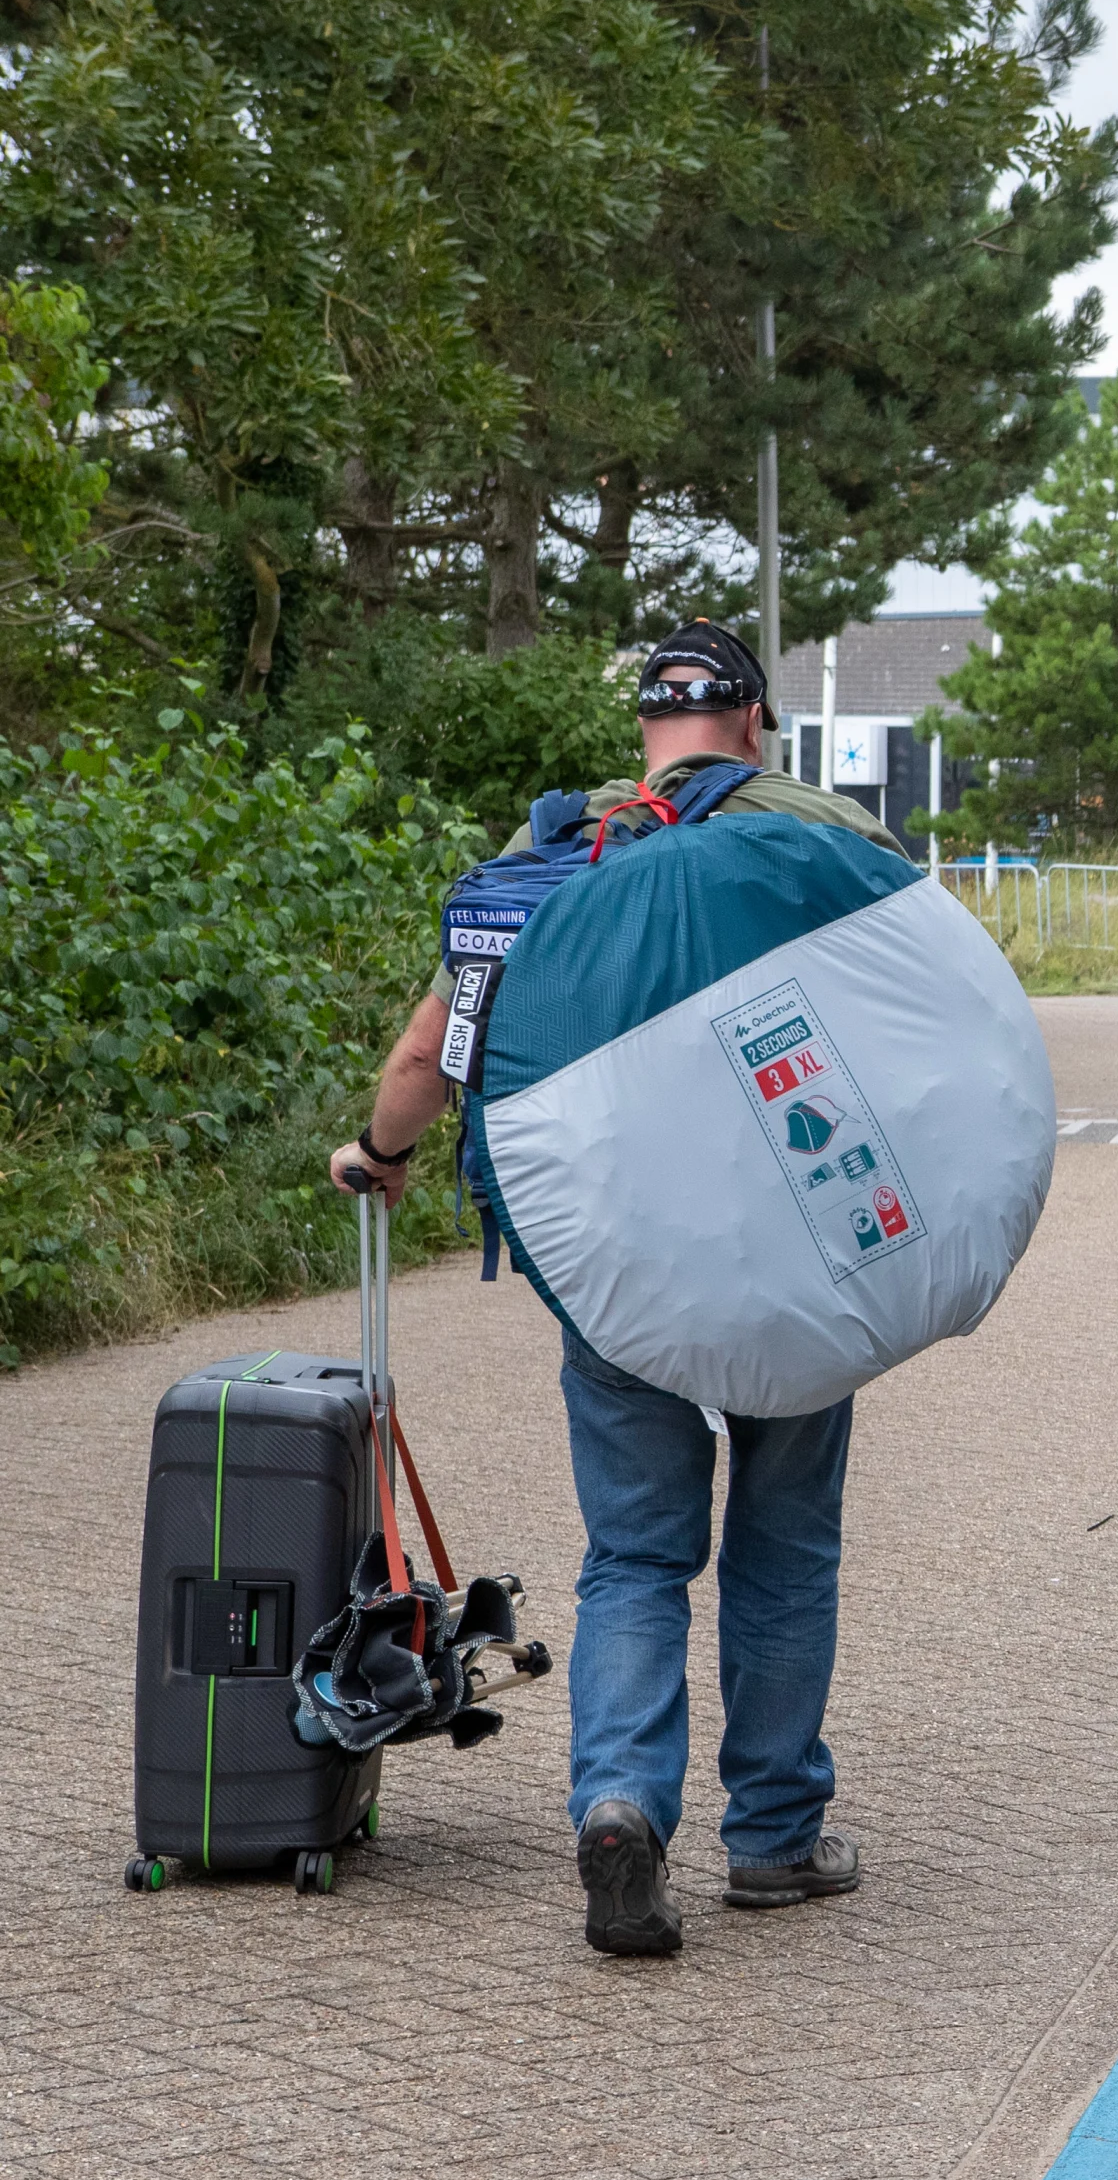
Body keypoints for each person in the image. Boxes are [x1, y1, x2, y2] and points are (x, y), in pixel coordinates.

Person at [328, 618, 910, 1958]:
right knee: (785, 1546)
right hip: (795, 1262)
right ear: (754, 724)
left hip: (613, 1267)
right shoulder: (821, 837)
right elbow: (921, 1019)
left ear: (646, 729)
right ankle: (770, 1840)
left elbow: (432, 1051)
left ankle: (619, 1807)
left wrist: (382, 1154)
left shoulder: (554, 860)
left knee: (639, 1555)